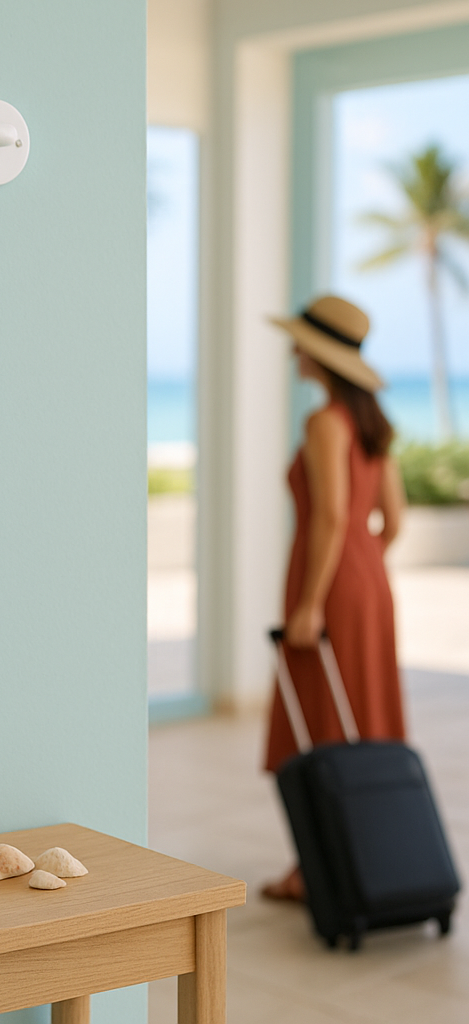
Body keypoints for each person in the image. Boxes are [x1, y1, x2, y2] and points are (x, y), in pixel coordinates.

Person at [261, 295, 407, 902]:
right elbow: (392, 521)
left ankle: (315, 868)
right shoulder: (373, 425)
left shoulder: (324, 423)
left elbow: (330, 516)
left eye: (300, 342)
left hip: (328, 585)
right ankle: (369, 856)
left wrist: (312, 601)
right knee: (364, 716)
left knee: (318, 720)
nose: (293, 351)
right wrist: (361, 567)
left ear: (319, 354)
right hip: (368, 582)